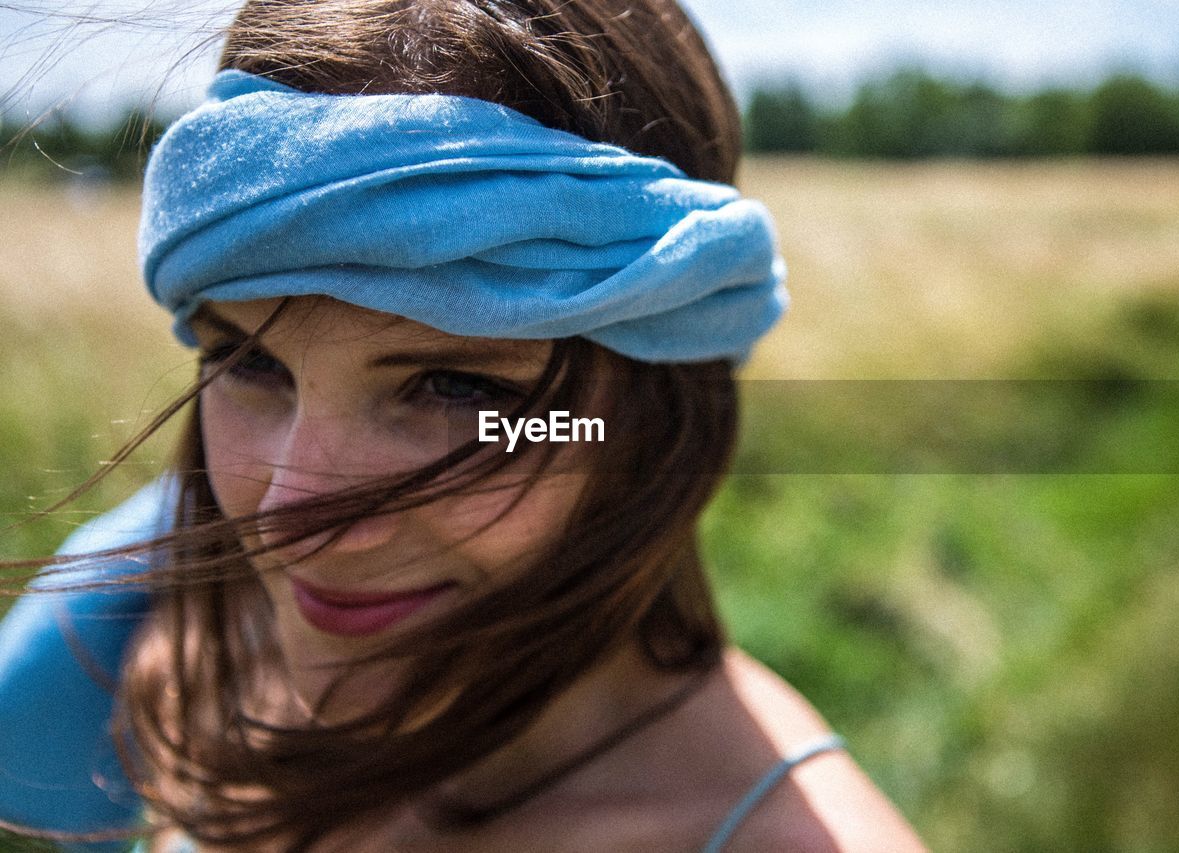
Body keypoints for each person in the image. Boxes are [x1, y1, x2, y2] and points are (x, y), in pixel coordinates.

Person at [0, 0, 926, 850]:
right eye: (252, 364)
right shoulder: (196, 665)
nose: (289, 516)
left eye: (455, 385)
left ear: (658, 412)